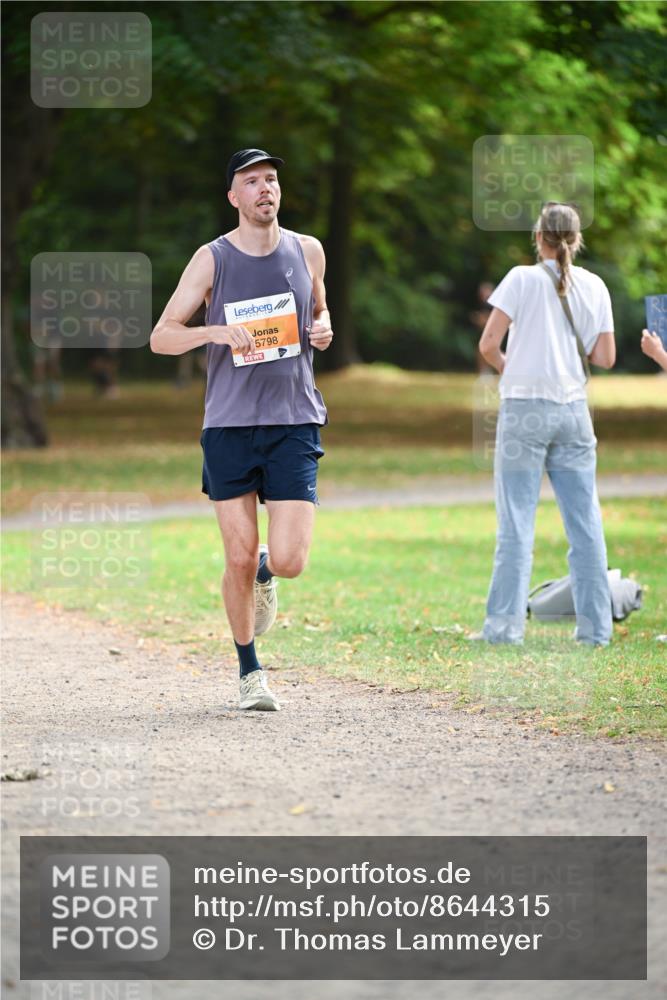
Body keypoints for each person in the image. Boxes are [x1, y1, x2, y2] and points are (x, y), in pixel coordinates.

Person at [150, 148, 333, 710]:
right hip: (229, 425)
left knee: (289, 559)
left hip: (293, 420)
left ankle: (265, 572)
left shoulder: (307, 251)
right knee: (234, 555)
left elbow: (320, 313)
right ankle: (250, 671)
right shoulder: (212, 259)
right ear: (233, 197)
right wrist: (215, 333)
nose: (264, 190)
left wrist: (322, 329)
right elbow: (161, 336)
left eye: (271, 180)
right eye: (251, 182)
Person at [474, 202, 616, 646]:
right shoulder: (594, 286)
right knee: (586, 522)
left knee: (517, 521)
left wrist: (512, 368)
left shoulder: (521, 279)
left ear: (539, 237)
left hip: (524, 410)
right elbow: (606, 358)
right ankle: (596, 630)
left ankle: (504, 629)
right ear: (576, 239)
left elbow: (489, 344)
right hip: (575, 412)